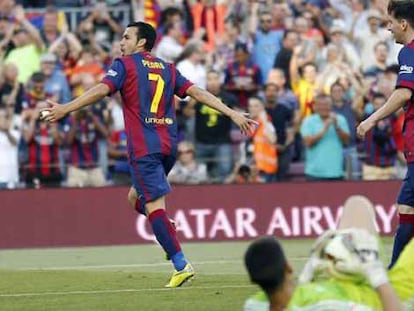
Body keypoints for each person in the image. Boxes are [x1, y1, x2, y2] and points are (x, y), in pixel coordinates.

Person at [41, 21, 257, 288]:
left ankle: (181, 264)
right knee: (135, 196)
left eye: (126, 37)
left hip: (144, 148)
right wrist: (232, 112)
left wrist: (66, 108)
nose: (121, 42)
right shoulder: (168, 68)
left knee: (154, 206)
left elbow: (101, 90)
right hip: (169, 146)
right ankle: (166, 227)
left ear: (141, 42)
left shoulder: (124, 65)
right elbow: (197, 93)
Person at [244, 195, 414, 311]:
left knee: (356, 204)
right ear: (288, 266)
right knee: (357, 205)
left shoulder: (256, 305)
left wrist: (308, 274)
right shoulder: (329, 305)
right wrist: (375, 271)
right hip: (380, 293)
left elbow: (289, 304)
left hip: (339, 273)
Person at [357, 0, 414, 268]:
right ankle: (396, 274)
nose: (388, 28)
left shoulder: (409, 53)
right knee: (407, 209)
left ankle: (394, 276)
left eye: (390, 22)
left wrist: (370, 119)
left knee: (407, 208)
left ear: (403, 23)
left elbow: (404, 92)